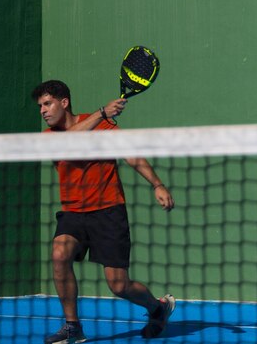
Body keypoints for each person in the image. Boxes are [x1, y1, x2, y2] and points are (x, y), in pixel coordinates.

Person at [31, 80, 176, 344]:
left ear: (64, 103)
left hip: (109, 212)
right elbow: (71, 143)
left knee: (118, 285)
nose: (43, 110)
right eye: (40, 106)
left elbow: (130, 155)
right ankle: (73, 326)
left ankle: (158, 307)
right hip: (73, 212)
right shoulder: (49, 138)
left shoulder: (102, 125)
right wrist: (102, 112)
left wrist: (157, 184)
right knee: (59, 253)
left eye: (48, 103)